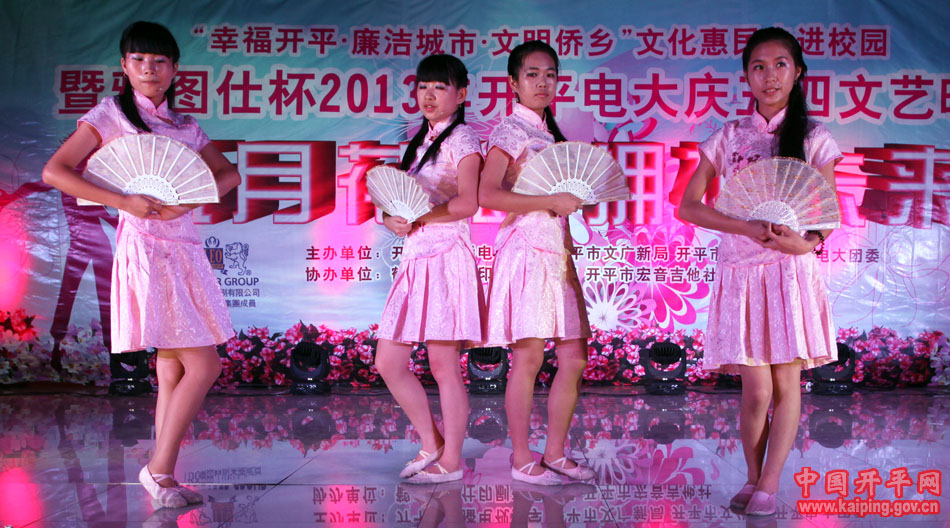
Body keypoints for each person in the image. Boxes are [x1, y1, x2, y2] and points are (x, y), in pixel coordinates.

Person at [42, 21, 240, 508]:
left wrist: (185, 201)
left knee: (172, 367)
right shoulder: (110, 114)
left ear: (174, 69)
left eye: (159, 61)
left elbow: (228, 174)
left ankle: (163, 477)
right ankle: (157, 470)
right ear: (124, 66)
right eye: (138, 60)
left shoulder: (183, 125)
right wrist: (123, 200)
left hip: (184, 244)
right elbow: (55, 171)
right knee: (205, 364)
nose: (149, 69)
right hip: (147, 248)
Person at [677, 27, 842, 516]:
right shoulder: (729, 136)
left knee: (787, 386)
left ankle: (767, 485)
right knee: (757, 390)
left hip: (789, 272)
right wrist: (744, 226)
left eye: (780, 65)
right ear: (747, 76)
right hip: (741, 273)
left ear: (798, 72)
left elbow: (828, 212)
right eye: (759, 67)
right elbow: (688, 206)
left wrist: (805, 243)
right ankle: (752, 478)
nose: (770, 76)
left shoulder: (814, 138)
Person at [478, 40, 594, 485]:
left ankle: (556, 452)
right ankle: (522, 456)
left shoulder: (550, 134)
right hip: (525, 250)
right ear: (513, 82)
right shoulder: (511, 130)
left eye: (550, 75)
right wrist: (550, 201)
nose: (542, 83)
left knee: (574, 357)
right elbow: (487, 194)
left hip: (556, 252)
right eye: (532, 74)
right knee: (528, 358)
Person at [374, 54, 485, 484]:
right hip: (416, 257)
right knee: (388, 361)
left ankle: (452, 461)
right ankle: (432, 443)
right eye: (423, 87)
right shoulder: (420, 142)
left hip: (447, 257)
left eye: (440, 87)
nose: (429, 95)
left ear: (461, 94)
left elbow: (468, 203)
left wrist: (419, 216)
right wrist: (392, 219)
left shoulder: (464, 139)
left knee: (443, 364)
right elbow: (398, 204)